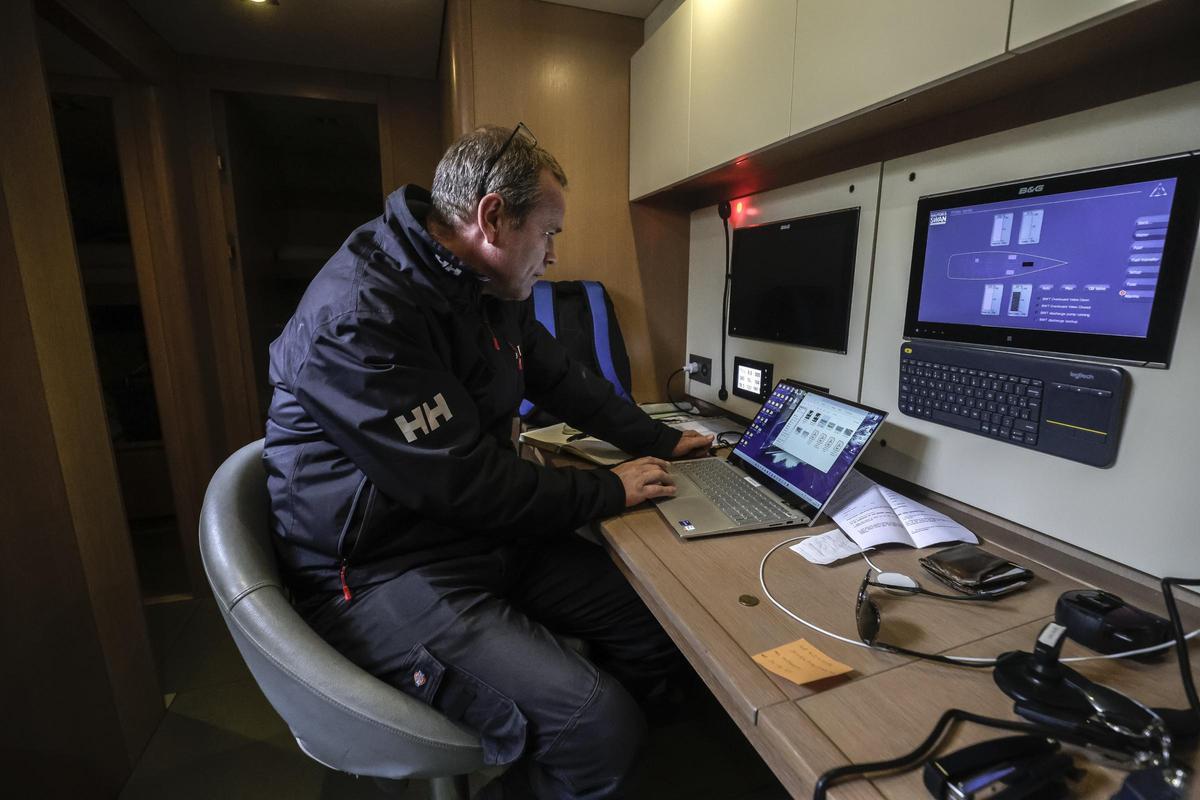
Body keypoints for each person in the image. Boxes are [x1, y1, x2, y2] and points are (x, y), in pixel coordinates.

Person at [263, 123, 713, 798]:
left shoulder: (481, 287)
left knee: (661, 628)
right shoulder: (359, 317)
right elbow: (465, 482)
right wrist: (609, 493)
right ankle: (590, 757)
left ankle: (598, 774)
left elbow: (560, 376)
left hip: (467, 537)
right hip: (380, 571)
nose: (554, 256)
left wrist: (654, 438)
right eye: (549, 233)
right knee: (595, 722)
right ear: (493, 218)